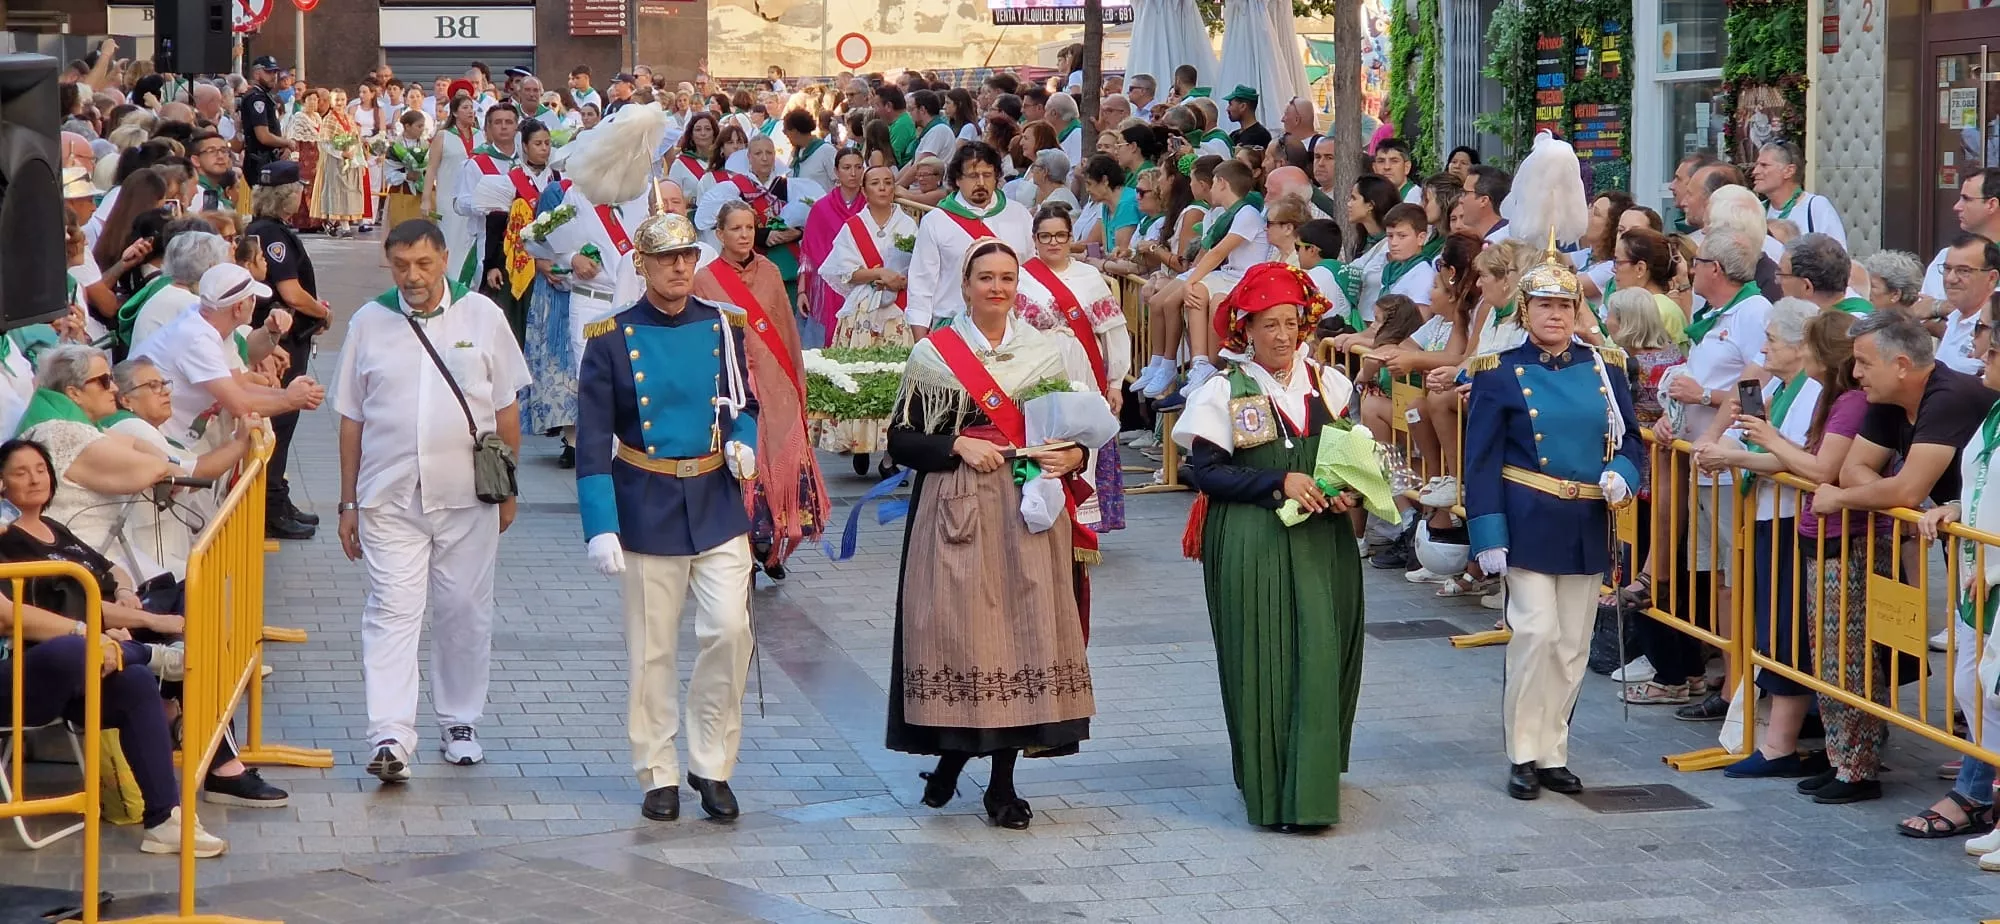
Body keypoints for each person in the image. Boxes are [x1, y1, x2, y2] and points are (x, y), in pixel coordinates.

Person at [886, 238, 1096, 832]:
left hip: (1030, 496)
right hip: (956, 503)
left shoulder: (1048, 352)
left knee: (1024, 635)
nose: (997, 288)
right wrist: (955, 442)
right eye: (986, 278)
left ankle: (1001, 785)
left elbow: (1078, 432)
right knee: (963, 635)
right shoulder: (936, 353)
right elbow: (900, 442)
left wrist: (1074, 455)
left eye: (1007, 278)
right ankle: (953, 752)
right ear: (967, 285)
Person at [575, 212, 758, 823]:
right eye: (667, 258)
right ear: (643, 266)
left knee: (731, 632)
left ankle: (712, 763)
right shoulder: (609, 336)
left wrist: (744, 439)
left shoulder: (722, 326)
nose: (681, 267)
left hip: (715, 497)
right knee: (652, 649)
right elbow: (595, 433)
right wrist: (600, 523)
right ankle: (658, 767)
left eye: (687, 256)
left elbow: (743, 402)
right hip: (647, 501)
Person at [334, 220, 530, 783]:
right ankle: (390, 733)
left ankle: (460, 720)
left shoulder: (483, 316)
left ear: (444, 258)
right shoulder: (370, 322)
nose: (412, 277)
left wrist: (509, 488)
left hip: (467, 495)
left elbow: (507, 409)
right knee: (392, 611)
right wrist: (347, 502)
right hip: (388, 496)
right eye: (401, 266)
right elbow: (351, 417)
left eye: (423, 264)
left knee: (464, 609)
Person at [1174, 262, 1365, 831]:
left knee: (1324, 655)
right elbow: (1204, 473)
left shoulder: (1329, 384)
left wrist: (1351, 490)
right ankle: (1271, 788)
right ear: (1245, 329)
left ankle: (1312, 782)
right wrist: (1278, 482)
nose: (1282, 336)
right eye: (1269, 324)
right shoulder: (1223, 391)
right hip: (1252, 541)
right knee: (1264, 660)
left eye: (1291, 323)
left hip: (1323, 540)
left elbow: (1347, 456)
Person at [1465, 238, 1643, 800]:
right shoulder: (1498, 372)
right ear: (1525, 310)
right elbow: (1482, 460)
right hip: (1528, 515)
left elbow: (1629, 441)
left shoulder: (1605, 367)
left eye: (1564, 306)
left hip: (1586, 517)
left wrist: (1623, 475)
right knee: (1536, 632)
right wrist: (1487, 531)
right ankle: (1521, 751)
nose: (1554, 315)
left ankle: (1552, 751)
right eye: (1543, 305)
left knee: (1571, 644)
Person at [1810, 312, 2000, 804]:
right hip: (1962, 541)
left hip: (1982, 545)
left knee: (1983, 676)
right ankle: (1978, 785)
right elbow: (1859, 469)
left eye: (1863, 363)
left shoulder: (1951, 396)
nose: (1855, 375)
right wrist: (1889, 493)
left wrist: (1847, 498)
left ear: (1900, 364)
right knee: (1972, 676)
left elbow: (1905, 486)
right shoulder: (1888, 398)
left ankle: (1977, 791)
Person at [0, 572, 226, 856]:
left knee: (134, 683)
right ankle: (139, 651)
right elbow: (6, 616)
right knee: (74, 649)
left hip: (27, 668)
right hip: (16, 677)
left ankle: (165, 818)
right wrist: (88, 634)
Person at [692, 200, 827, 578]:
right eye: (735, 228)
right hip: (733, 385)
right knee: (741, 459)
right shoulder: (704, 279)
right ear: (719, 234)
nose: (744, 235)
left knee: (775, 456)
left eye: (749, 228)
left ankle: (769, 544)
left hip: (774, 380)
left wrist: (793, 380)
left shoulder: (768, 271)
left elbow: (785, 329)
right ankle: (743, 545)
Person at [1018, 203, 1129, 535]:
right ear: (1035, 239)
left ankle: (1082, 526)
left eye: (1061, 235)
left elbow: (1113, 330)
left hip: (1083, 369)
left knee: (1083, 443)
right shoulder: (1021, 277)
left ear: (1070, 237)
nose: (1053, 242)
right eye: (1046, 236)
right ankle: (1041, 515)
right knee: (1040, 440)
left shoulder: (1089, 277)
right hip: (1036, 370)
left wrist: (1115, 382)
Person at [906, 142, 1033, 333]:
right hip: (955, 329)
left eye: (987, 175)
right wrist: (922, 342)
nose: (981, 183)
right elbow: (921, 285)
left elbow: (1031, 274)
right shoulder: (936, 221)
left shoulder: (1019, 215)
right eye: (973, 176)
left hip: (1013, 330)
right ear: (957, 179)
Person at [473, 117, 560, 345]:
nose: (544, 149)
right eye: (538, 144)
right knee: (516, 328)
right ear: (524, 146)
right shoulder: (510, 182)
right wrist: (492, 265)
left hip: (552, 264)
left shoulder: (558, 178)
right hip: (517, 265)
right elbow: (495, 227)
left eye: (547, 143)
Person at [451, 103, 523, 289]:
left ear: (517, 126)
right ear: (489, 128)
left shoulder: (527, 160)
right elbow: (458, 203)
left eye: (509, 122)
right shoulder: (476, 163)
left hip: (524, 241)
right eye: (498, 122)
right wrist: (481, 203)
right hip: (488, 240)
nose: (504, 126)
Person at [800, 147, 867, 337]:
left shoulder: (870, 207)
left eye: (858, 167)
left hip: (863, 283)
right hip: (827, 285)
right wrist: (802, 291)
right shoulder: (821, 208)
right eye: (846, 167)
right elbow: (808, 252)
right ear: (836, 171)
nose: (853, 173)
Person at [426, 93, 482, 283]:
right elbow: (432, 167)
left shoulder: (481, 135)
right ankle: (448, 280)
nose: (470, 111)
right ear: (455, 112)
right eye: (465, 107)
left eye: (472, 107)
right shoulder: (443, 136)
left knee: (472, 238)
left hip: (475, 198)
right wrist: (426, 198)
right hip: (448, 197)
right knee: (450, 238)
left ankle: (471, 282)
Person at [1754, 141, 1847, 248]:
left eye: (1764, 165)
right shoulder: (1757, 210)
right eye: (1757, 165)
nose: (1755, 171)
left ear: (1789, 171)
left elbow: (1838, 257)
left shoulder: (1816, 206)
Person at [239, 56, 294, 186]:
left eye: (275, 72)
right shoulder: (256, 98)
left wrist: (282, 145)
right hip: (260, 160)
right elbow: (263, 136)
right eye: (269, 72)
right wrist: (287, 142)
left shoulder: (265, 96)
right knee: (266, 202)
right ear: (257, 74)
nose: (273, 76)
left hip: (268, 158)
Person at [1224, 85, 1270, 149]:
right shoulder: (1234, 135)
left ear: (1243, 106)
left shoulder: (1260, 136)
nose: (1227, 109)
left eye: (1230, 104)